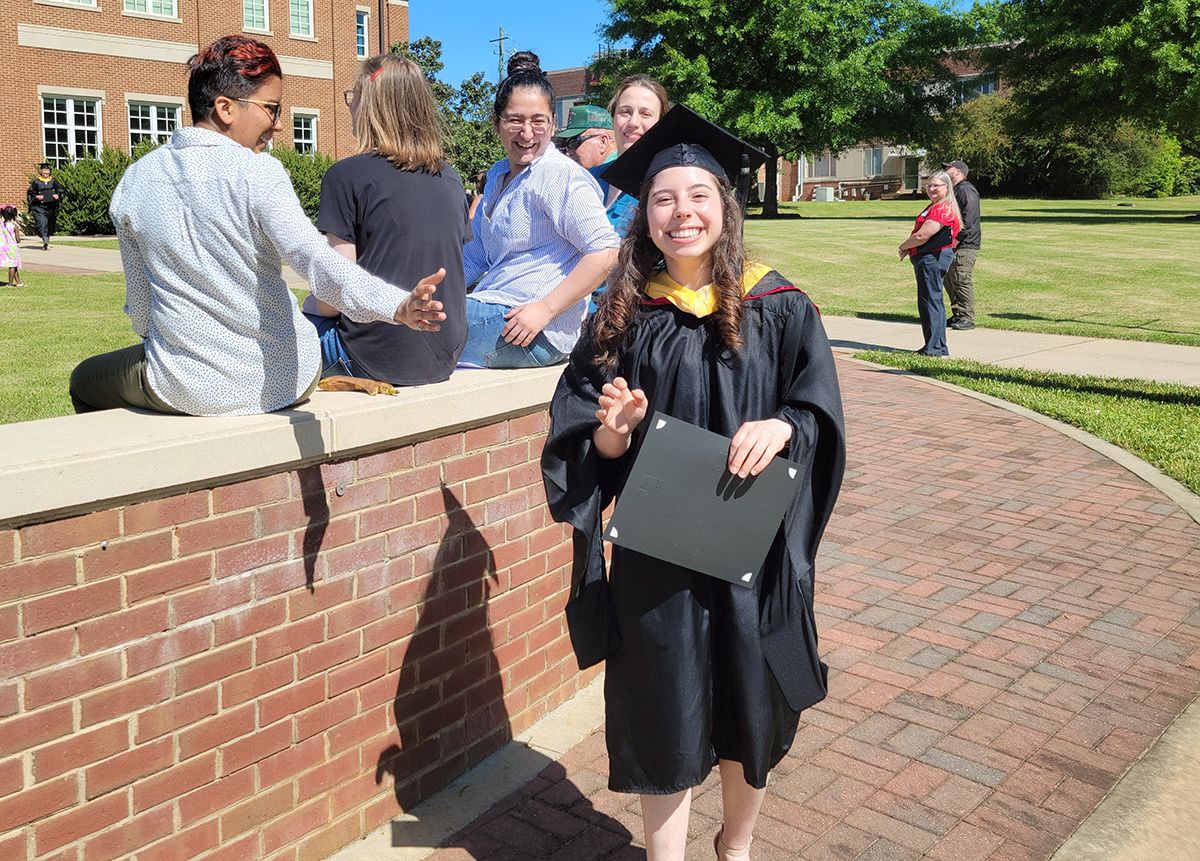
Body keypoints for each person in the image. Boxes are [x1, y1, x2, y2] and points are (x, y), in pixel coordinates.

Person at [541, 106, 846, 861]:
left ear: (724, 204)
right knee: (663, 707)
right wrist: (616, 428)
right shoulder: (621, 317)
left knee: (752, 705)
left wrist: (784, 426)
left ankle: (734, 846)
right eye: (665, 198)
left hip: (753, 546)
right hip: (661, 556)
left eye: (698, 195)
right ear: (645, 213)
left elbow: (818, 412)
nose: (683, 212)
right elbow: (585, 445)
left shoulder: (780, 307)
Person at [69, 35, 445, 416]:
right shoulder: (259, 172)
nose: (279, 125)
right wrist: (396, 305)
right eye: (271, 108)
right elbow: (315, 260)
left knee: (83, 380)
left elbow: (142, 311)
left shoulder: (134, 181)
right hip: (289, 378)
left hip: (189, 387)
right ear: (225, 108)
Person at [303, 54, 469, 386]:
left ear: (369, 108)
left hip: (370, 357)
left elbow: (333, 294)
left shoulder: (345, 176)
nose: (350, 107)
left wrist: (310, 302)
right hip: (443, 356)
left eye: (353, 97)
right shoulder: (451, 178)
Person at [459, 51, 619, 369]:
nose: (528, 133)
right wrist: (430, 288)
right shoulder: (496, 175)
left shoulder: (560, 175)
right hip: (496, 306)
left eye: (538, 121)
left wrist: (545, 309)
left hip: (535, 329)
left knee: (399, 327)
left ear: (553, 124)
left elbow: (605, 252)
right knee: (408, 308)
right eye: (516, 120)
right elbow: (476, 255)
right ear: (497, 123)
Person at [594, 75, 670, 237]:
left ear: (661, 123)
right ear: (613, 118)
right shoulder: (589, 178)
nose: (633, 122)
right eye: (625, 112)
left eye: (645, 114)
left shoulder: (665, 186)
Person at [898, 170, 961, 357]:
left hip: (932, 258)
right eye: (929, 185)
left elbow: (922, 235)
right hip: (931, 257)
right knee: (932, 301)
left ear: (946, 187)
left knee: (930, 301)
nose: (931, 189)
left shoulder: (942, 208)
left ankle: (934, 348)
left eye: (936, 186)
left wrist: (903, 246)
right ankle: (936, 346)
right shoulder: (937, 205)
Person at [942, 159, 981, 330]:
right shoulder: (955, 190)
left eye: (948, 167)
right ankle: (958, 315)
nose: (945, 170)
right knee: (950, 279)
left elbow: (969, 220)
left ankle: (967, 318)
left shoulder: (966, 190)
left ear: (958, 172)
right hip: (954, 243)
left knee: (961, 278)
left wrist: (956, 240)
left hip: (965, 244)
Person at [554, 104, 617, 170]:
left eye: (574, 142)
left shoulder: (617, 173)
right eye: (565, 144)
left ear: (602, 142)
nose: (568, 153)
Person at [26, 163, 65, 250]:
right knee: (42, 224)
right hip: (39, 207)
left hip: (51, 207)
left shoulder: (53, 181)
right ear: (41, 171)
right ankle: (45, 241)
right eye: (44, 170)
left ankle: (46, 240)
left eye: (48, 170)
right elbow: (30, 193)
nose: (46, 172)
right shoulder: (36, 182)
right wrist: (36, 197)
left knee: (50, 224)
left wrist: (58, 195)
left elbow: (60, 190)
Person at [0, 206, 23, 286]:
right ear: (14, 215)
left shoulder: (1, 225)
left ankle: (19, 282)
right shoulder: (14, 227)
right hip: (12, 248)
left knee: (14, 264)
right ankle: (10, 284)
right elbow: (18, 240)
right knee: (12, 266)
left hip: (3, 247)